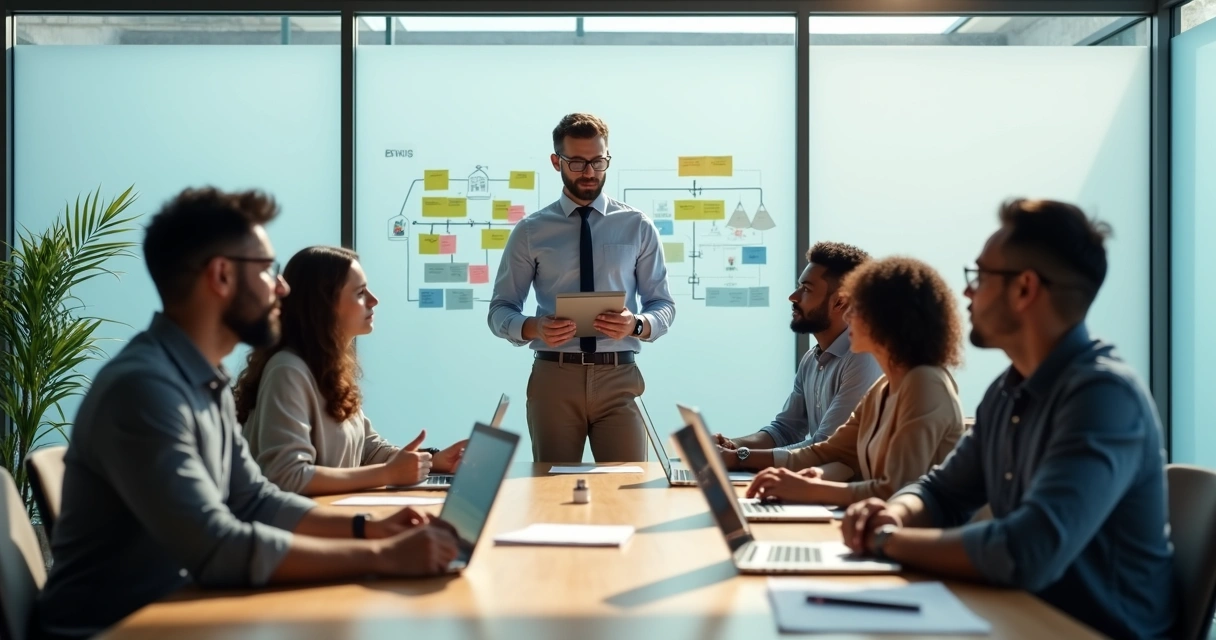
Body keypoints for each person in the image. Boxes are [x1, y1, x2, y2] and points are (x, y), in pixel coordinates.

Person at [34, 188, 458, 640]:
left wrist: (370, 530)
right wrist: (384, 556)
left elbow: (255, 499)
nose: (282, 287)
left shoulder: (202, 379)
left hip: (184, 612)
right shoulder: (144, 390)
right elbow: (217, 547)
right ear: (221, 276)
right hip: (116, 628)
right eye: (267, 269)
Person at [840, 199, 1176, 640]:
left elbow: (1025, 550)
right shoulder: (1007, 391)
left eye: (979, 276)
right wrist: (894, 514)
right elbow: (940, 491)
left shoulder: (1103, 397)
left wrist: (888, 542)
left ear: (1024, 289)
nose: (966, 292)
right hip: (1016, 618)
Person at [488, 113, 675, 462]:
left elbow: (663, 306)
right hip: (553, 378)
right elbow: (500, 310)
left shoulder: (637, 226)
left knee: (627, 491)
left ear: (607, 159)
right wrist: (534, 327)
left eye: (597, 161)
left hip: (619, 376)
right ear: (556, 161)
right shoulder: (530, 232)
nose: (589, 172)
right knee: (550, 494)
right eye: (576, 162)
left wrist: (635, 324)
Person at [234, 246, 467, 496]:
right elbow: (287, 475)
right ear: (323, 305)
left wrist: (432, 461)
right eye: (360, 293)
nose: (374, 300)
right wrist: (388, 474)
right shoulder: (287, 370)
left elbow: (367, 448)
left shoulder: (329, 369)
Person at [741, 257, 965, 506]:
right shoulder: (882, 389)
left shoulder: (925, 383)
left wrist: (812, 490)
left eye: (857, 307)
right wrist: (811, 477)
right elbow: (827, 451)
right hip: (877, 528)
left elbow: (897, 490)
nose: (848, 314)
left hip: (918, 540)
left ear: (890, 317)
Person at [714, 242, 882, 464]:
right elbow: (785, 430)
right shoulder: (812, 359)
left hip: (848, 494)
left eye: (807, 289)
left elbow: (825, 448)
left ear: (840, 301)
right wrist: (728, 446)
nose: (793, 296)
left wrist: (739, 458)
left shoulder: (863, 358)